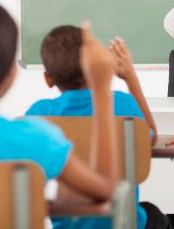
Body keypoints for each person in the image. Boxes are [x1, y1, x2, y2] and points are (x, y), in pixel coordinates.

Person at [24, 24, 166, 229]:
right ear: (95, 65)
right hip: (124, 222)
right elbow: (150, 139)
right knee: (152, 214)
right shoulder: (121, 103)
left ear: (48, 79)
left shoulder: (38, 115)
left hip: (67, 224)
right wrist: (130, 77)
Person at [0, 2, 119, 227]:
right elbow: (107, 189)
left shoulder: (36, 118)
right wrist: (101, 90)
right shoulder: (32, 138)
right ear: (12, 73)